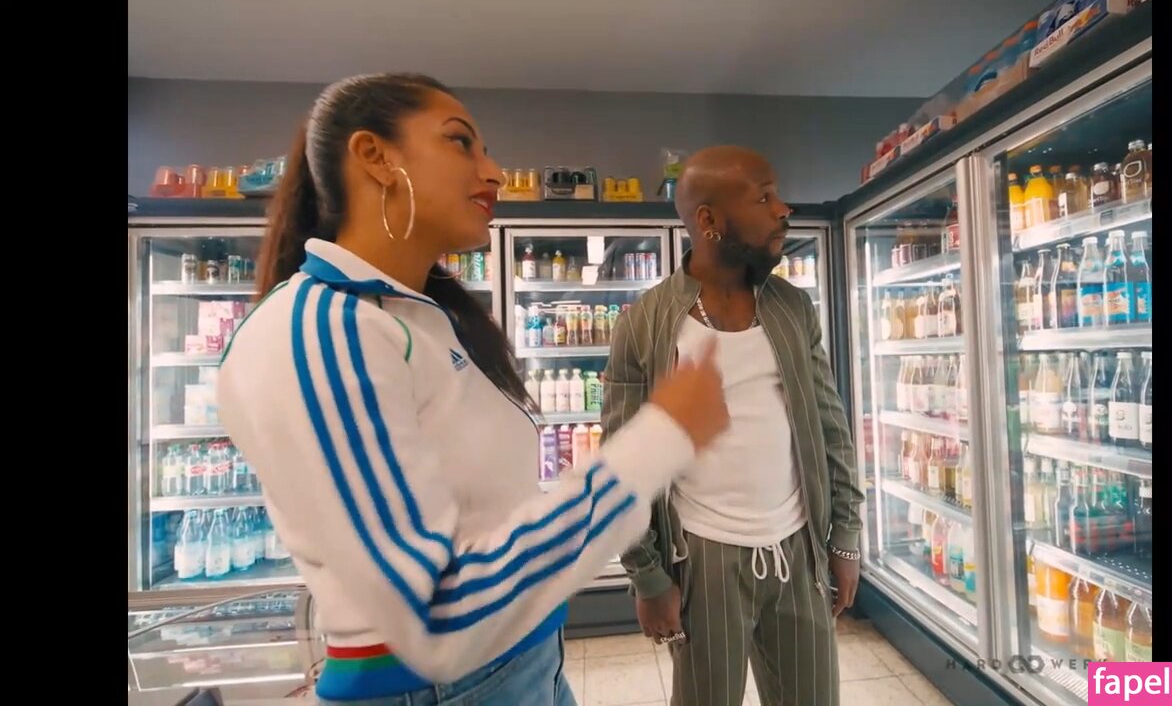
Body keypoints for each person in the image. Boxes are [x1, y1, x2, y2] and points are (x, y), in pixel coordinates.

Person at [215, 73, 729, 705]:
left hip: (519, 662)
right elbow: (436, 613)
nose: (495, 174)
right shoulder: (320, 332)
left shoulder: (419, 320)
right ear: (374, 156)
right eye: (461, 143)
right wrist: (659, 439)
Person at [601, 145, 865, 706]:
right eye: (765, 197)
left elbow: (830, 428)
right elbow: (622, 460)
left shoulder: (793, 308)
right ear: (709, 220)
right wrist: (646, 575)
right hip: (702, 559)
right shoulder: (645, 324)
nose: (784, 209)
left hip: (798, 549)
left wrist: (844, 540)